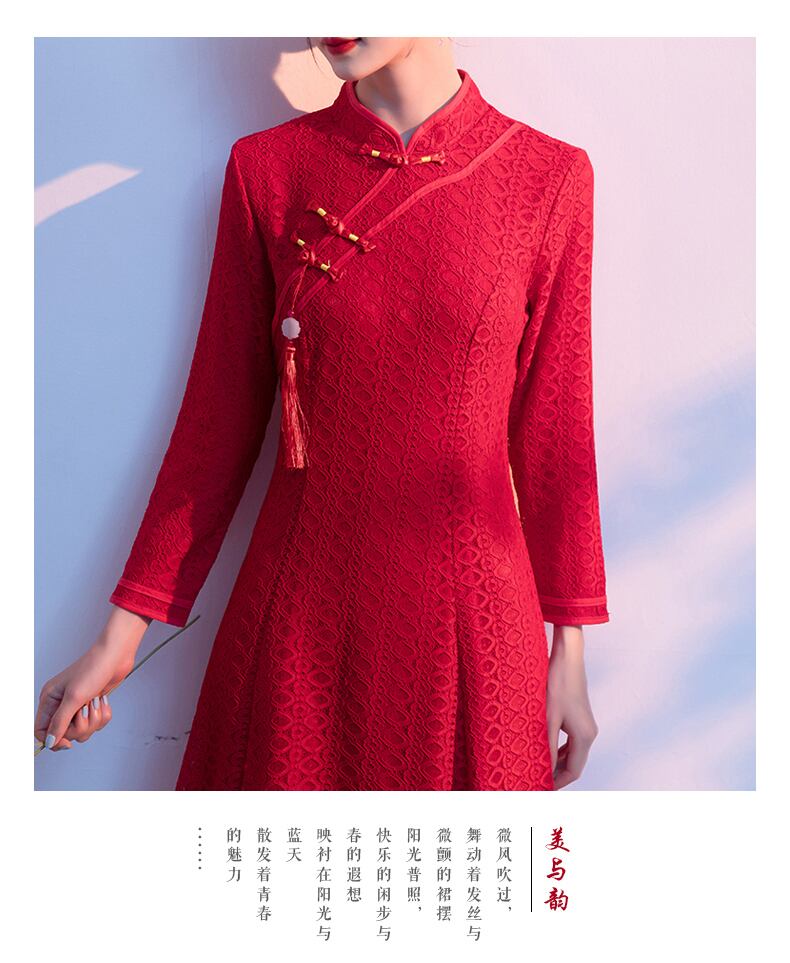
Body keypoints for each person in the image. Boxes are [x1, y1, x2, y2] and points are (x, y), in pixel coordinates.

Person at [35, 37, 610, 790]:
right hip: (300, 625)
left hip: (473, 629)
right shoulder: (269, 169)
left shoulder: (547, 176)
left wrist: (570, 650)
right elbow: (217, 422)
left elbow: (555, 430)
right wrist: (122, 633)